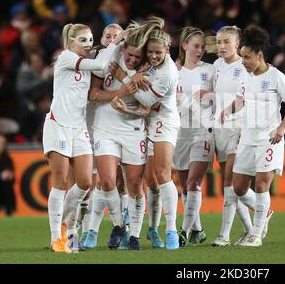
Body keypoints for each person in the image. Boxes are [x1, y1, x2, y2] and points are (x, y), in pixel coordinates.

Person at [220, 26, 285, 247]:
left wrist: (281, 128)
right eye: (242, 56)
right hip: (247, 138)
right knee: (239, 188)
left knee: (262, 185)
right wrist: (228, 110)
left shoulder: (277, 77)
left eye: (247, 57)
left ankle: (255, 234)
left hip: (269, 139)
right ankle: (266, 212)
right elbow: (241, 100)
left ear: (260, 56)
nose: (242, 61)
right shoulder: (246, 76)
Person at [110, 16, 182, 250]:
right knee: (149, 180)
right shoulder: (149, 63)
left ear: (167, 50)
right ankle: (150, 229)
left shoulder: (168, 73)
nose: (152, 56)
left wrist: (125, 78)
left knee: (162, 175)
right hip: (144, 120)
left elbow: (148, 100)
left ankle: (171, 229)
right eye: (150, 52)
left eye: (157, 53)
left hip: (164, 121)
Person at [43, 23, 112, 253]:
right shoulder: (65, 58)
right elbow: (102, 63)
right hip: (58, 126)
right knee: (61, 182)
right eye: (82, 40)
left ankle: (65, 223)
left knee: (84, 183)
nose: (88, 44)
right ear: (70, 42)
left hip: (79, 128)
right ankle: (58, 237)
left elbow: (103, 64)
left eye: (90, 39)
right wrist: (117, 44)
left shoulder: (86, 62)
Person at [87, 22, 150, 251]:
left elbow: (149, 100)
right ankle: (118, 226)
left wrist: (125, 78)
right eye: (129, 55)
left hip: (133, 127)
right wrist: (118, 92)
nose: (132, 59)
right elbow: (93, 93)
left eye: (136, 56)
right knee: (106, 181)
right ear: (123, 49)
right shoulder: (108, 58)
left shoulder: (149, 65)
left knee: (134, 184)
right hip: (105, 126)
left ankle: (135, 235)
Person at [210, 26, 256, 247]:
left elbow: (245, 98)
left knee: (230, 181)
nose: (221, 46)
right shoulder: (217, 66)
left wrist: (229, 110)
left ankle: (224, 235)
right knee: (231, 186)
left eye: (226, 42)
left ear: (237, 44)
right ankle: (253, 223)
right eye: (218, 42)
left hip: (239, 128)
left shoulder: (245, 66)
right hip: (220, 130)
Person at [173, 27, 215, 246]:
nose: (200, 51)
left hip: (204, 131)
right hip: (179, 134)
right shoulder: (172, 70)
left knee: (194, 183)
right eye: (196, 46)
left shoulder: (211, 70)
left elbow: (230, 93)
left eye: (202, 47)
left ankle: (183, 232)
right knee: (185, 186)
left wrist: (213, 95)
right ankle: (198, 230)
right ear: (184, 46)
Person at [0, 134, 16, 216]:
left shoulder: (7, 158)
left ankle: (9, 210)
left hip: (4, 184)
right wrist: (0, 175)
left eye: (1, 144)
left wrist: (10, 174)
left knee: (7, 184)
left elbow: (11, 171)